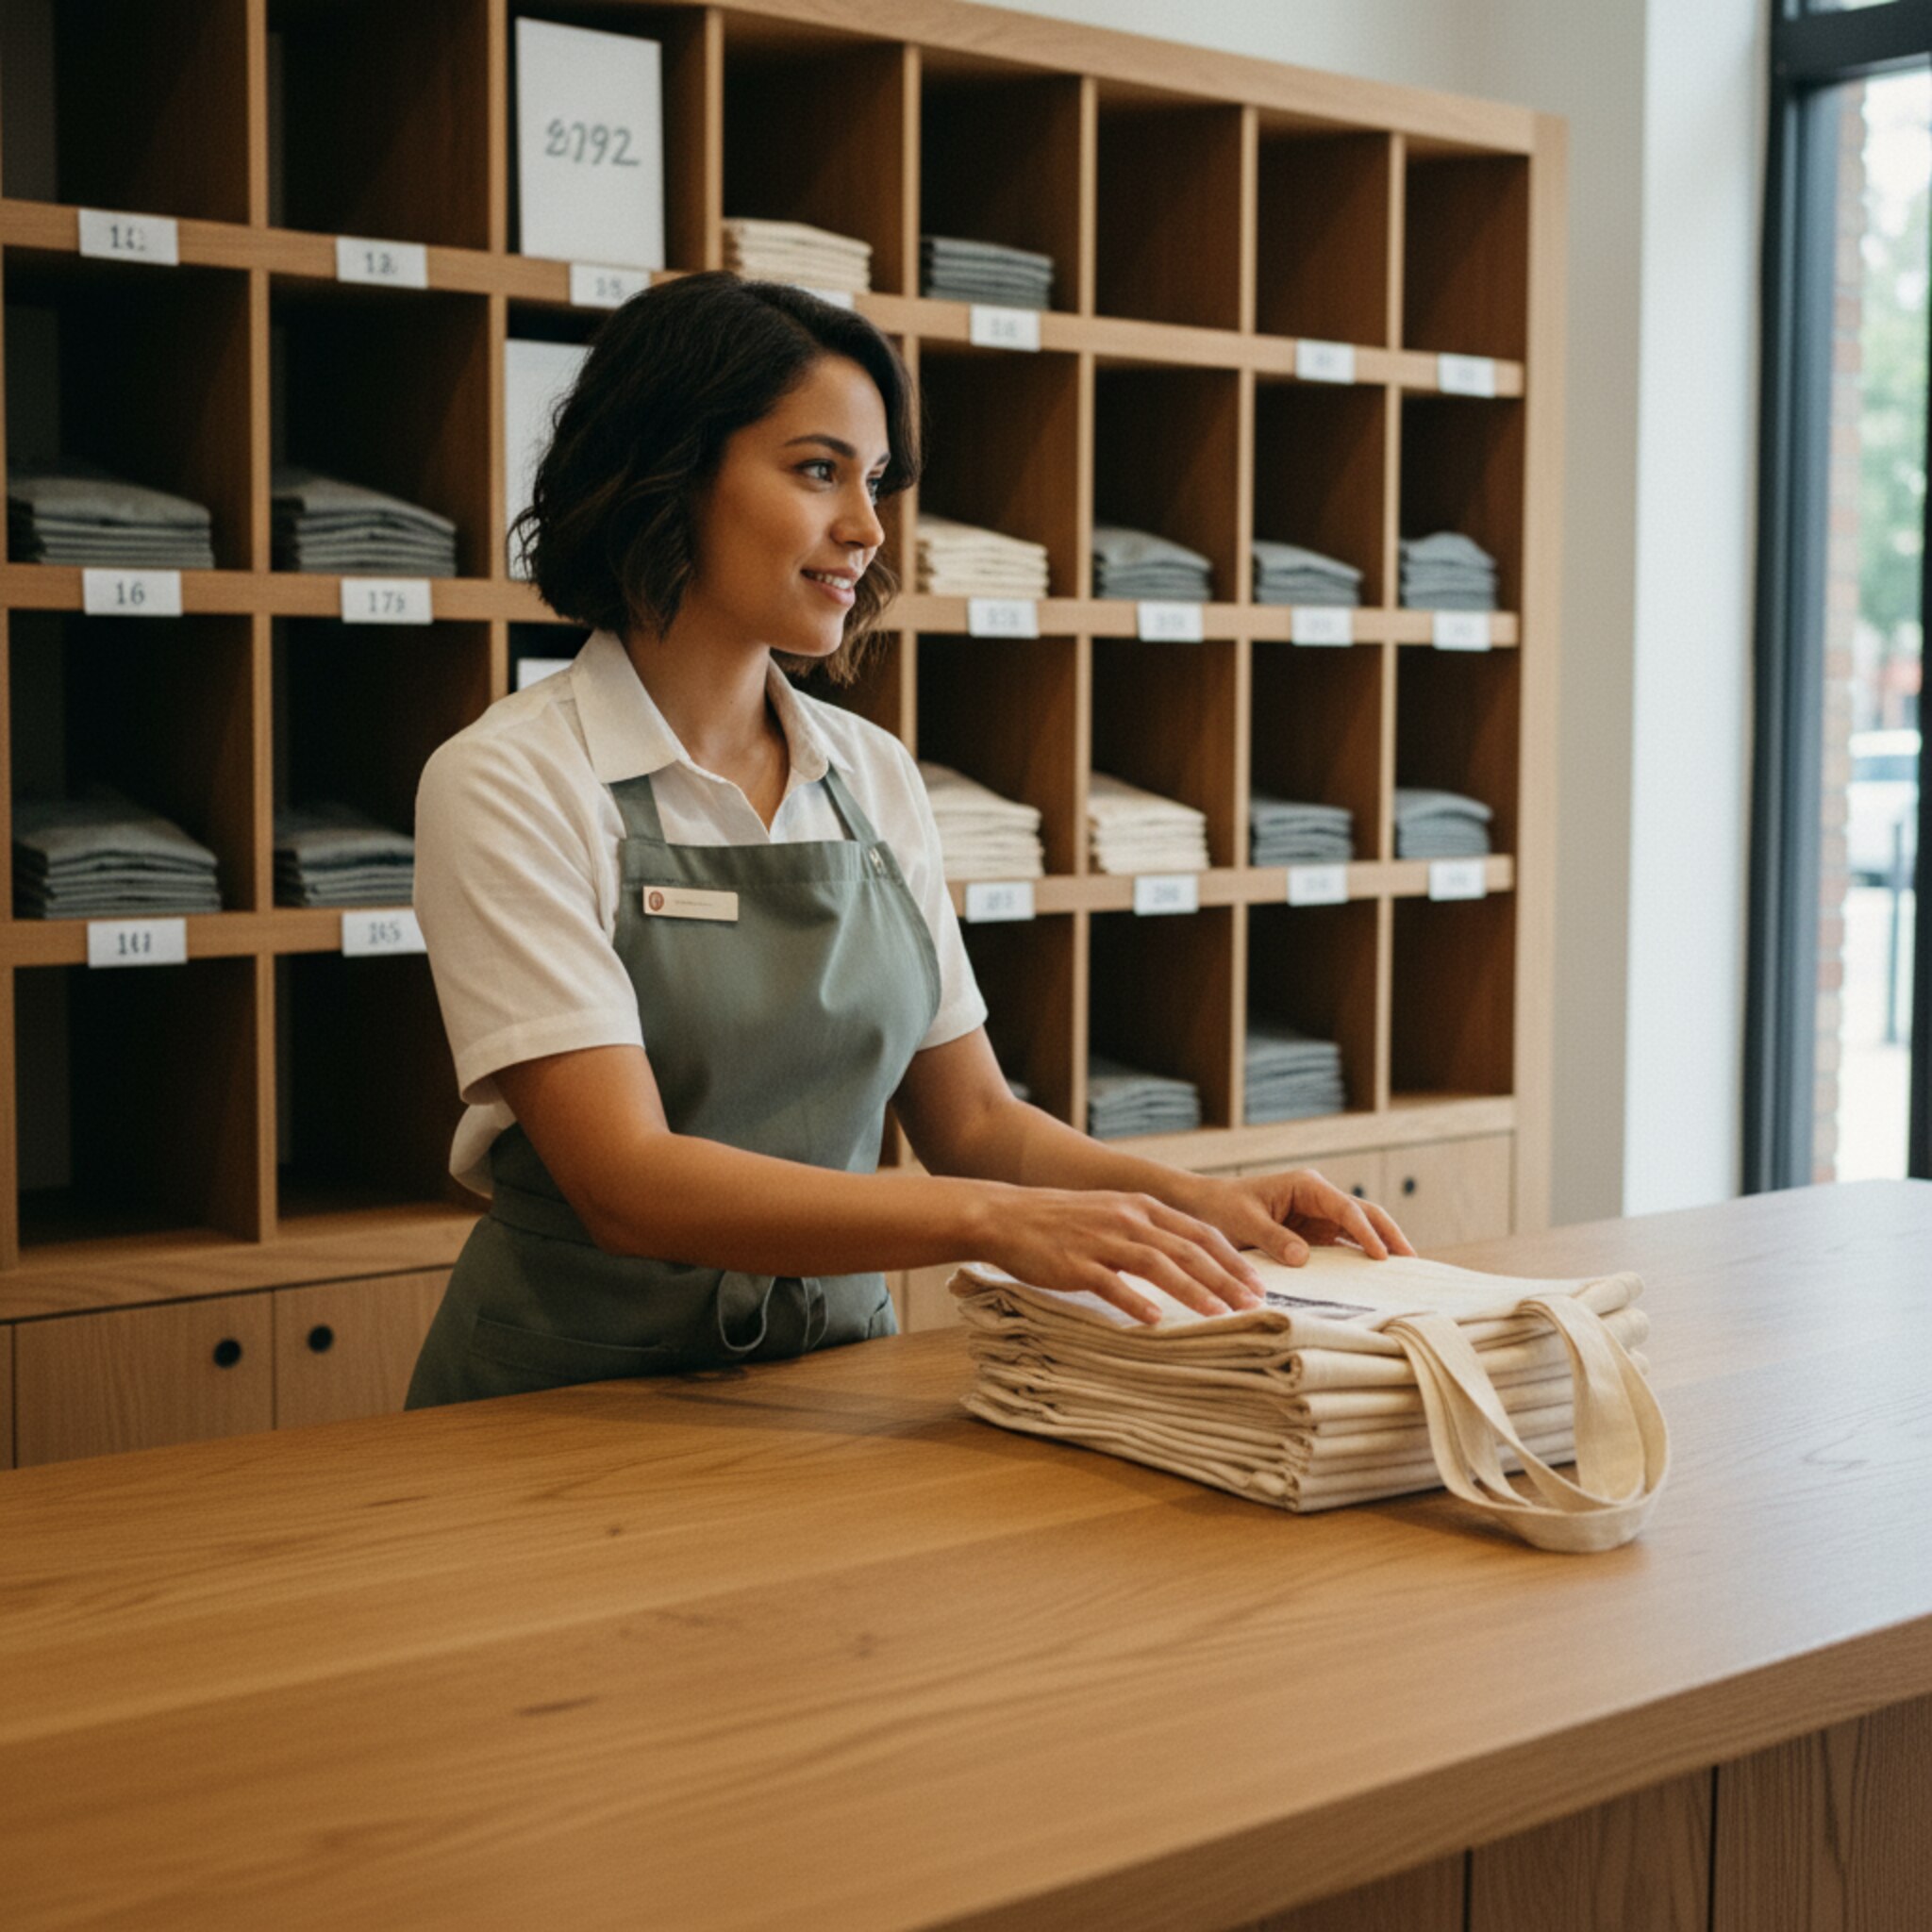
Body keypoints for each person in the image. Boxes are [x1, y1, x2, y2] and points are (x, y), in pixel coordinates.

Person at [404, 272, 1414, 1407]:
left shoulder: (870, 775)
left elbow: (974, 1122)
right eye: (817, 469)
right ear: (669, 470)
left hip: (836, 1385)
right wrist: (989, 1222)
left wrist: (1195, 1201)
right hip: (557, 1403)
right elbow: (626, 1182)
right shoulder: (510, 780)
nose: (868, 528)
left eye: (874, 481)